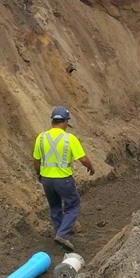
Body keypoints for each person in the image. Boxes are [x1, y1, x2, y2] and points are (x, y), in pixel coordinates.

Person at [33, 106, 95, 252]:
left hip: (47, 179)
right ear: (65, 122)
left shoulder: (41, 137)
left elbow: (36, 160)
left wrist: (39, 174)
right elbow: (83, 159)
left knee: (55, 207)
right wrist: (91, 168)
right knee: (72, 206)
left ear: (53, 121)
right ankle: (62, 234)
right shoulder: (69, 138)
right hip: (63, 179)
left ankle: (59, 233)